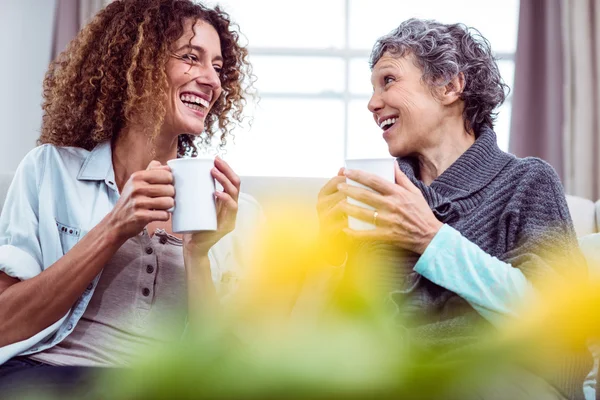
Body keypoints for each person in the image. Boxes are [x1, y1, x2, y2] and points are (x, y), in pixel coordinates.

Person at [316, 18, 590, 400]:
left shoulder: (526, 182)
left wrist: (431, 238)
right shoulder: (381, 201)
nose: (372, 103)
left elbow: (560, 319)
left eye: (389, 81)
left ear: (449, 85)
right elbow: (336, 344)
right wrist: (330, 258)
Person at [0, 0, 256, 391]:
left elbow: (221, 371)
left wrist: (198, 254)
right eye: (192, 57)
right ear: (137, 64)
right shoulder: (49, 170)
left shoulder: (228, 208)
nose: (213, 81)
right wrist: (113, 228)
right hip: (48, 374)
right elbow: (5, 326)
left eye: (218, 68)